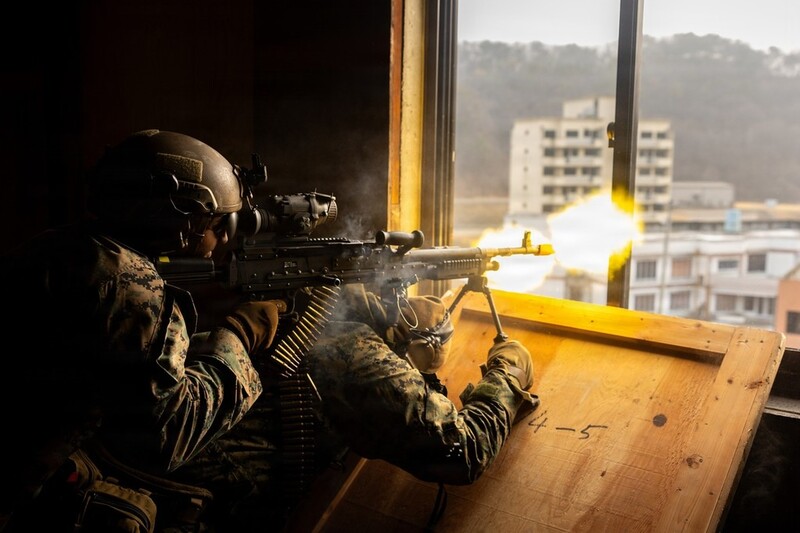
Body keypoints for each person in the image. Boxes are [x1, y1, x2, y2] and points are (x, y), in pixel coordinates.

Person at [0, 129, 538, 532]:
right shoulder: (130, 286)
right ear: (182, 223)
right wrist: (239, 333)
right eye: (218, 226)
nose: (223, 240)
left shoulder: (63, 250)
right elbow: (168, 431)